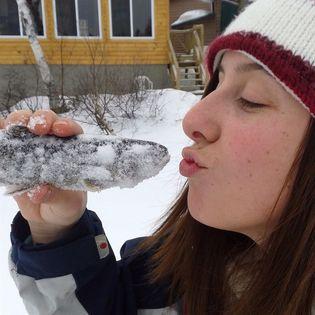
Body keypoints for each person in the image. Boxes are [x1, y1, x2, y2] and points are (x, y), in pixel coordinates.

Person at [2, 0, 314, 314]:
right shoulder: (168, 281)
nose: (193, 118)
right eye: (215, 84)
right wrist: (57, 236)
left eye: (251, 99)